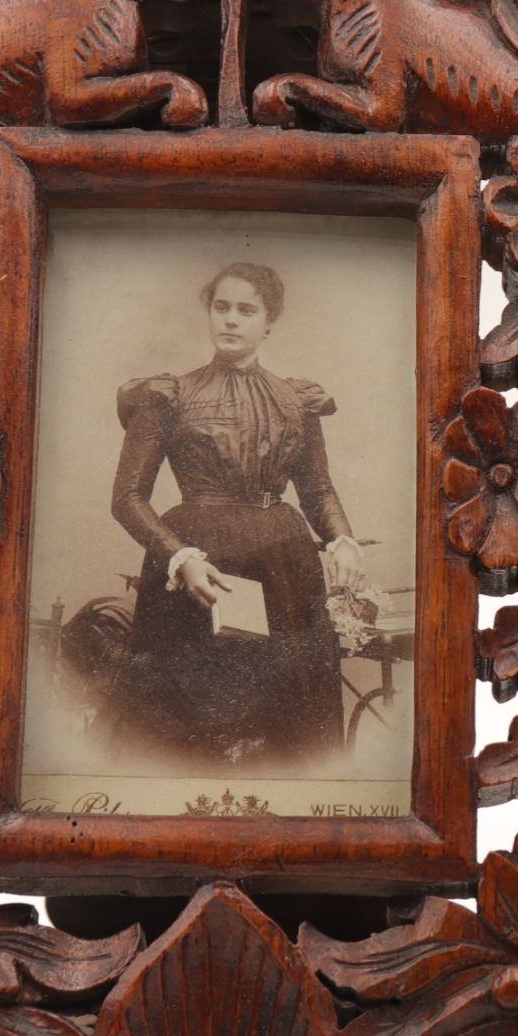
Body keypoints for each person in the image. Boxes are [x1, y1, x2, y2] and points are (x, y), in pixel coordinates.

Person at [105, 261, 367, 765]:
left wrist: (343, 540)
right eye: (221, 307)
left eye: (247, 311)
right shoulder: (168, 396)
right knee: (182, 728)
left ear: (269, 322)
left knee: (286, 722)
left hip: (282, 566)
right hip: (197, 564)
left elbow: (318, 490)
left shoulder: (297, 401)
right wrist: (179, 556)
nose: (230, 319)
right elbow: (128, 497)